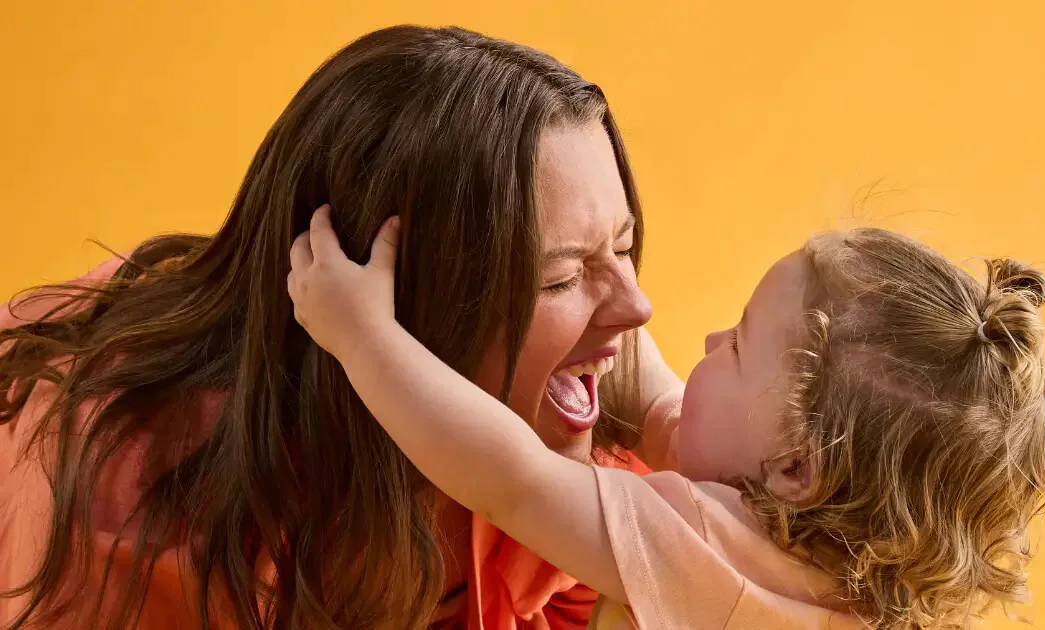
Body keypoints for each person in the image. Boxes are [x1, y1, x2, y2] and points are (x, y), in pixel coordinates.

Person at [0, 25, 672, 629]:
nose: (637, 308)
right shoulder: (149, 516)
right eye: (558, 278)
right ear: (388, 308)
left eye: (622, 248)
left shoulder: (532, 443)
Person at [287, 217, 1045, 630]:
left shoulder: (699, 545)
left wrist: (364, 339)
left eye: (739, 342)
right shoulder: (831, 566)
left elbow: (511, 482)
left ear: (797, 468)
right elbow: (664, 410)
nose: (708, 343)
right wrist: (601, 283)